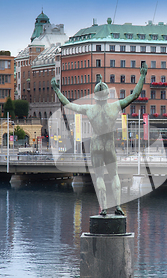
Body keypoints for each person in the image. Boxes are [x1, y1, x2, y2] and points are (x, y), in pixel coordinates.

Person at [51, 62, 147, 216]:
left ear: (95, 97)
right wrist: (142, 75)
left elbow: (67, 104)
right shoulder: (115, 106)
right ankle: (118, 207)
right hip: (109, 144)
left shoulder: (89, 109)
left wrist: (56, 90)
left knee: (100, 176)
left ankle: (103, 209)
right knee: (114, 175)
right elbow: (135, 94)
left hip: (96, 145)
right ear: (108, 95)